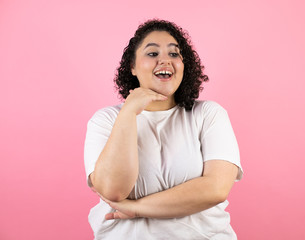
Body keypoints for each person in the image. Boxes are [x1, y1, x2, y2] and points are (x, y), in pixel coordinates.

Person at [84, 19, 243, 240]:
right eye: (152, 54)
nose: (165, 61)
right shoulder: (105, 120)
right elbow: (112, 190)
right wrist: (129, 112)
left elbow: (215, 189)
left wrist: (137, 208)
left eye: (174, 54)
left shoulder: (208, 114)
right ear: (132, 66)